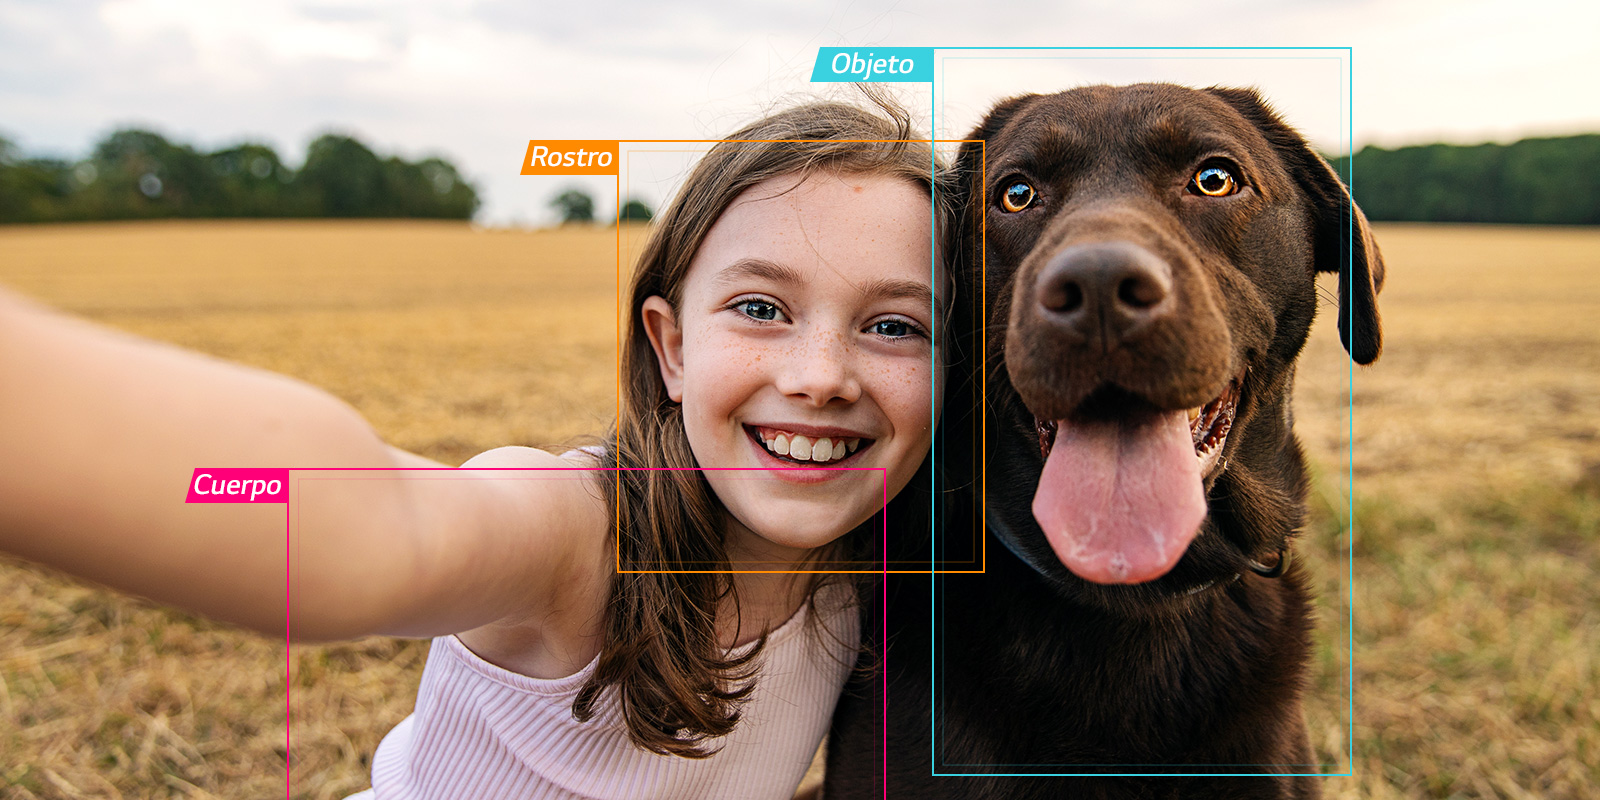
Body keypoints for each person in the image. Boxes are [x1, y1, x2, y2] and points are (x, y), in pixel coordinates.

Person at [0, 96, 950, 799]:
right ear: (669, 345)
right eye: (759, 308)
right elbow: (370, 523)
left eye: (899, 326)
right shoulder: (574, 536)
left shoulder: (876, 572)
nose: (822, 374)